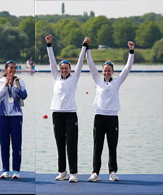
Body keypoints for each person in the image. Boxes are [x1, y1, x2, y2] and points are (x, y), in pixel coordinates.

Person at [86, 39, 135, 182]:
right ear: (102, 72)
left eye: (109, 70)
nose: (107, 72)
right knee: (97, 146)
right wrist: (87, 49)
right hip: (99, 116)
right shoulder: (97, 80)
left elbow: (128, 67)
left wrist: (131, 51)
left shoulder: (118, 81)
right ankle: (95, 172)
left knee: (112, 146)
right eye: (105, 70)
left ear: (113, 72)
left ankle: (112, 172)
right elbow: (90, 64)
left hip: (112, 117)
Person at [45, 34, 89, 183]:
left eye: (66, 68)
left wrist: (84, 46)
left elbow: (81, 62)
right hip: (57, 113)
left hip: (70, 114)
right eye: (62, 68)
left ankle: (73, 173)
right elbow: (51, 60)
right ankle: (62, 171)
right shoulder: (55, 77)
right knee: (59, 144)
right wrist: (49, 45)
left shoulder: (74, 77)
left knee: (71, 144)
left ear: (70, 69)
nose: (63, 70)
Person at [0, 60, 27, 179]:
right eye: (10, 68)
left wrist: (13, 86)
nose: (12, 70)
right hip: (2, 116)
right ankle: (5, 170)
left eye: (14, 68)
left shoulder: (19, 81)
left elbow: (24, 95)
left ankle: (16, 170)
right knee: (4, 143)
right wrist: (5, 86)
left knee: (16, 144)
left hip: (16, 115)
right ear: (5, 69)